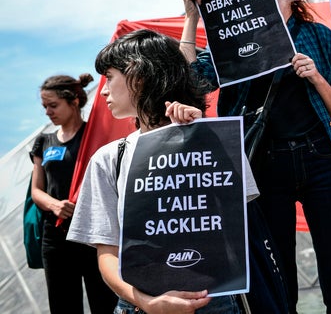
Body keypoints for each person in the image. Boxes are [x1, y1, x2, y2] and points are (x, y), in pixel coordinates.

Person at [180, 0, 331, 314]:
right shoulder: (236, 40)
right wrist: (191, 18)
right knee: (280, 287)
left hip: (320, 160)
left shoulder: (319, 35)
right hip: (263, 166)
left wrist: (317, 79)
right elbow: (190, 83)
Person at [67, 29, 257, 314]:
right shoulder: (108, 159)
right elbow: (107, 253)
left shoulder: (213, 141)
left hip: (214, 302)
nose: (104, 90)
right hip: (138, 306)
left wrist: (203, 135)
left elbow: (236, 222)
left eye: (110, 77)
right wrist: (147, 303)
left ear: (138, 75)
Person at [30, 74, 118, 313]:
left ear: (75, 102)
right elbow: (36, 191)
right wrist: (55, 205)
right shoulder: (43, 142)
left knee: (105, 304)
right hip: (56, 239)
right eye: (44, 106)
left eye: (53, 105)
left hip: (93, 236)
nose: (48, 112)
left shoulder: (96, 137)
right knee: (63, 306)